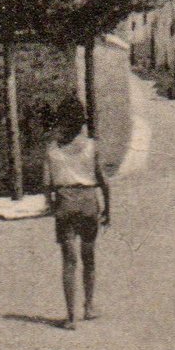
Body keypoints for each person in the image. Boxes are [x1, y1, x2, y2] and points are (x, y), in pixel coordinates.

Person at [43, 96, 111, 330]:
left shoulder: (52, 149)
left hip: (65, 203)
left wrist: (51, 205)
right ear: (82, 121)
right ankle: (89, 307)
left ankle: (71, 317)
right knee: (88, 259)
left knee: (69, 262)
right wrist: (108, 210)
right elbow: (103, 180)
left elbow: (47, 184)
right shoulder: (92, 146)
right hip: (88, 203)